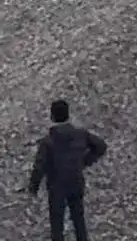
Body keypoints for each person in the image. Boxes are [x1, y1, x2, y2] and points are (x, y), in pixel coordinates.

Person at [27, 99, 107, 241]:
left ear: (52, 117)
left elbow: (40, 165)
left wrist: (33, 186)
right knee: (78, 219)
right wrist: (85, 161)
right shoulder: (80, 134)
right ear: (68, 114)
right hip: (76, 181)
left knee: (57, 224)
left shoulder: (48, 141)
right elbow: (101, 146)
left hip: (56, 186)